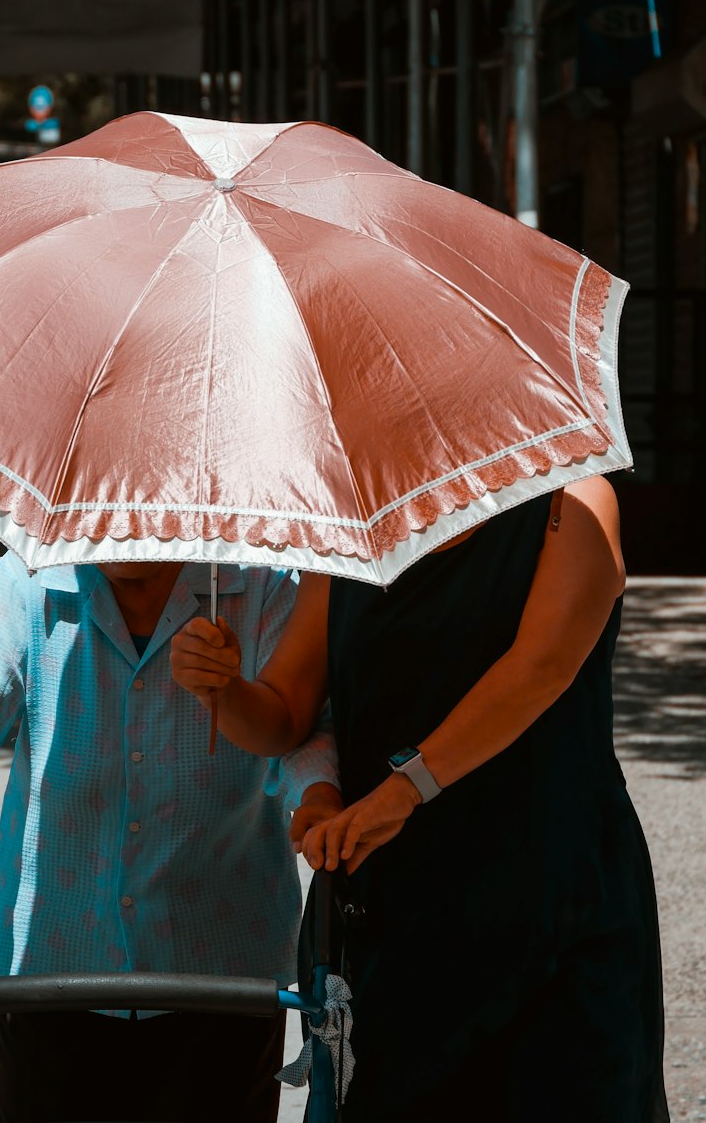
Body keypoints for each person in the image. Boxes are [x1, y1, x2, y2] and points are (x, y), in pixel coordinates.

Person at [171, 477, 671, 1122]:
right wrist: (222, 689)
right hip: (394, 908)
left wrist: (404, 791)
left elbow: (540, 668)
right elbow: (286, 714)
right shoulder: (350, 528)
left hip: (554, 892)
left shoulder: (573, 500)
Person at [0, 553, 341, 1123]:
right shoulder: (29, 581)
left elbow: (301, 726)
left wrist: (318, 795)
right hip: (52, 963)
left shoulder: (262, 588)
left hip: (223, 962)